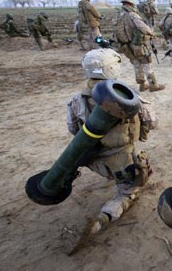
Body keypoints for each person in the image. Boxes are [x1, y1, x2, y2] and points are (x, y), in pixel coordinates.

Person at [63, 48, 158, 254]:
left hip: (91, 160)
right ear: (113, 68)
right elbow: (152, 121)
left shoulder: (76, 100)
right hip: (122, 163)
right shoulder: (129, 98)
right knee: (129, 191)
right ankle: (101, 221)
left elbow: (72, 130)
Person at [114, 0, 165, 92]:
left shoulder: (119, 15)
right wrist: (151, 34)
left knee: (136, 63)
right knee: (146, 62)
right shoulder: (132, 15)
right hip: (137, 44)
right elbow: (143, 27)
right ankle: (153, 85)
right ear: (131, 0)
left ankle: (142, 85)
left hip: (126, 46)